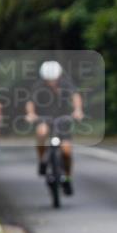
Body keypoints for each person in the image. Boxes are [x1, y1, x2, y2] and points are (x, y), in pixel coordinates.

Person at [25, 60, 84, 195]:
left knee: (66, 152)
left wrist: (78, 110)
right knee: (41, 132)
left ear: (58, 76)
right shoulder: (38, 86)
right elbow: (30, 102)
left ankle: (68, 178)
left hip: (63, 119)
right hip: (44, 118)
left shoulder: (65, 84)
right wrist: (31, 114)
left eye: (53, 79)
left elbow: (75, 96)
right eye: (48, 80)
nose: (51, 82)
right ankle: (42, 160)